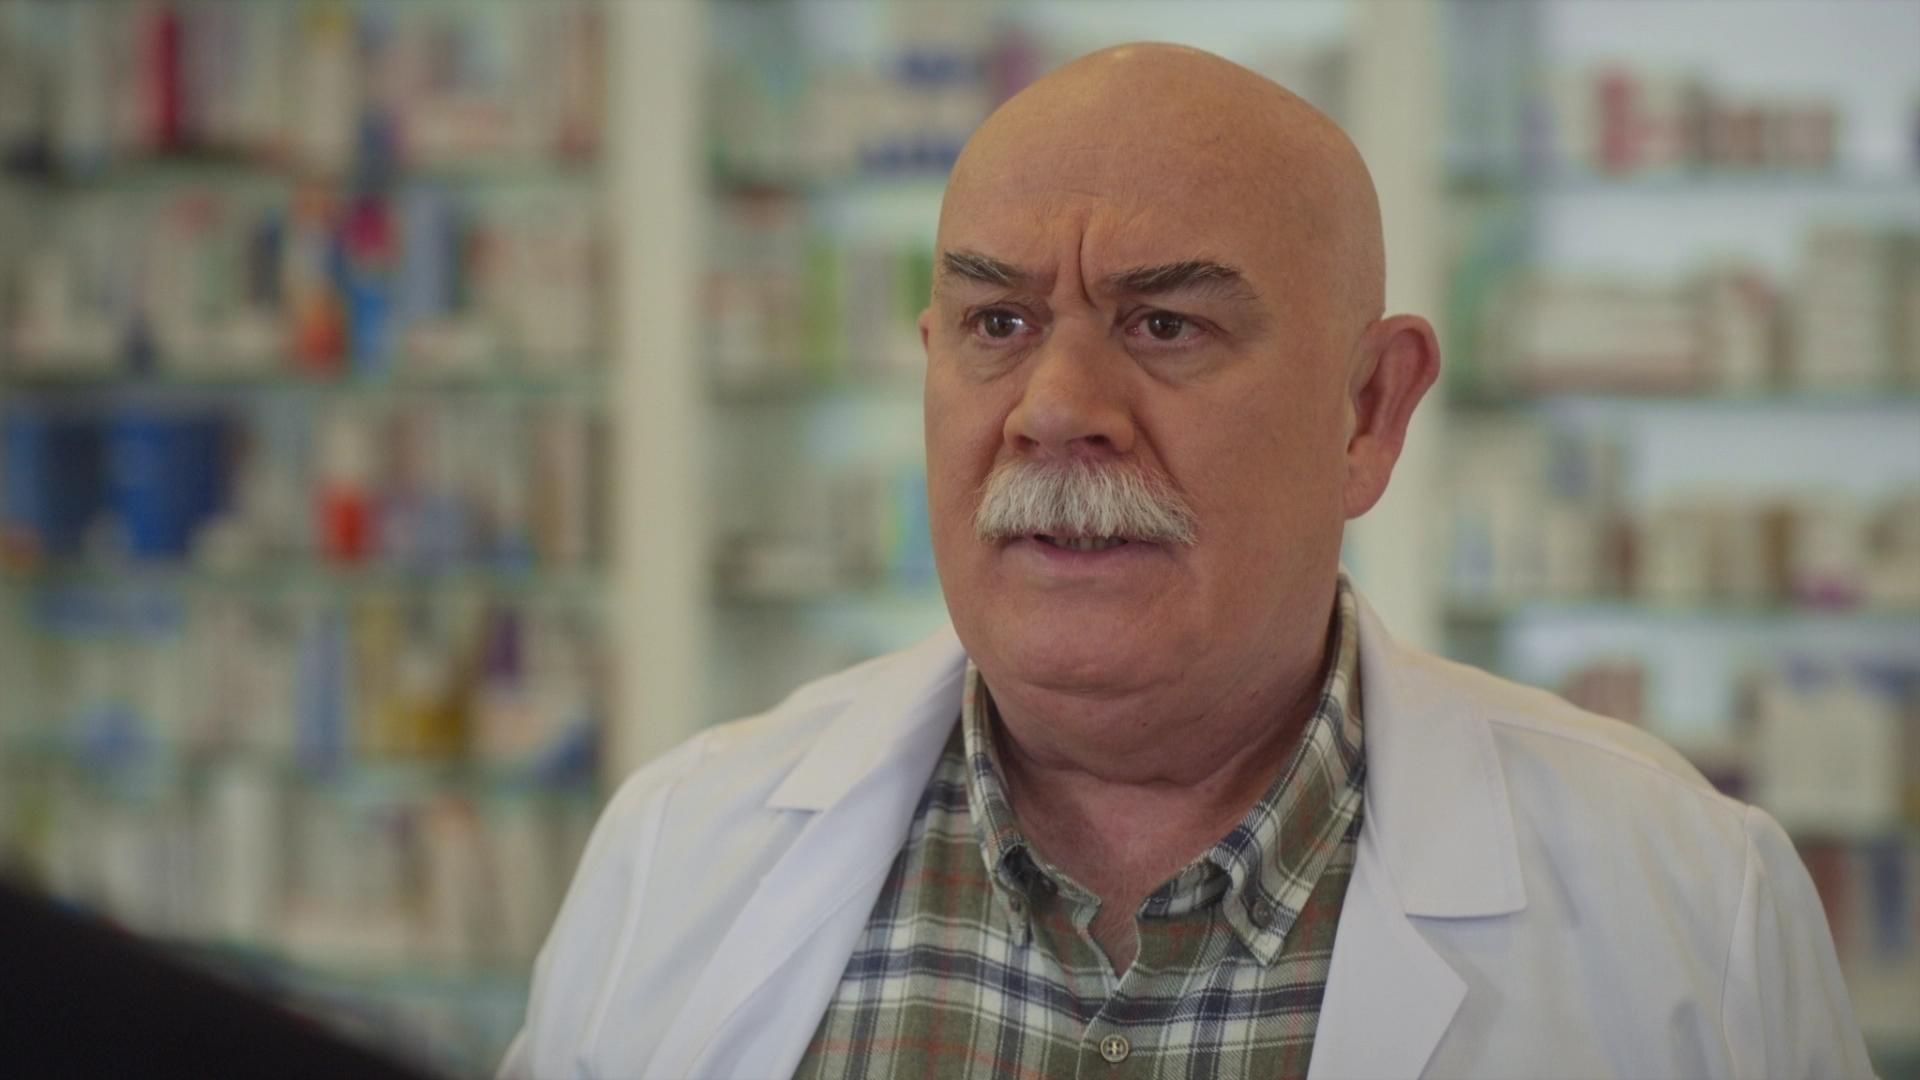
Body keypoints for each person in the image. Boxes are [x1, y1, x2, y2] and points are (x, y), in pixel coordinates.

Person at [501, 44, 1868, 1079]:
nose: (1053, 409)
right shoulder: (679, 850)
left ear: (1368, 412)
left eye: (1165, 326)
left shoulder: (1695, 913)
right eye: (997, 323)